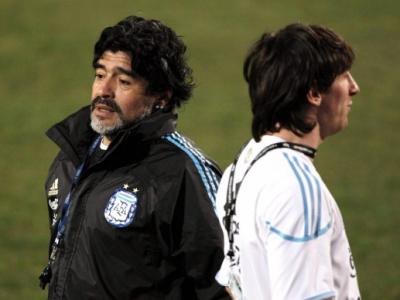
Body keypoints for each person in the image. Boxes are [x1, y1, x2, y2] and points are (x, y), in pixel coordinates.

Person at [39, 15, 229, 300]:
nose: (104, 91)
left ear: (160, 98)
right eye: (100, 75)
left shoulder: (183, 174)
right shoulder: (73, 156)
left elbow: (226, 285)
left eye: (124, 81)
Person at [215, 24, 361, 300]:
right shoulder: (295, 187)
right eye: (344, 76)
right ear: (314, 93)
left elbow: (232, 284)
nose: (354, 87)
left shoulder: (239, 169)